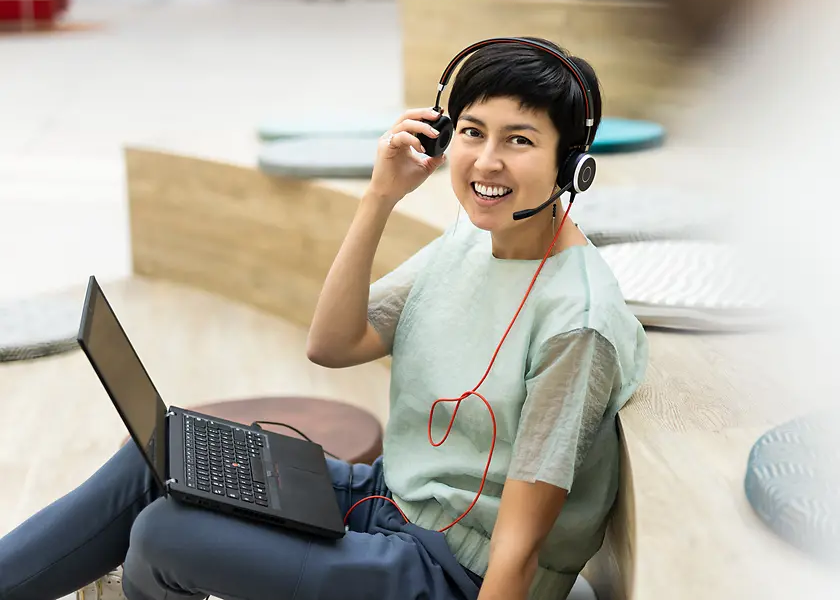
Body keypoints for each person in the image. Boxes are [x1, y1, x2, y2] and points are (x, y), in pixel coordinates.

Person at [0, 37, 648, 600]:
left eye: (521, 141)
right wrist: (380, 196)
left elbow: (519, 548)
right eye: (473, 132)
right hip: (385, 499)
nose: (486, 161)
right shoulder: (470, 241)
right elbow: (333, 343)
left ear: (571, 165)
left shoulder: (575, 326)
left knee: (163, 536)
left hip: (453, 572)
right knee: (160, 455)